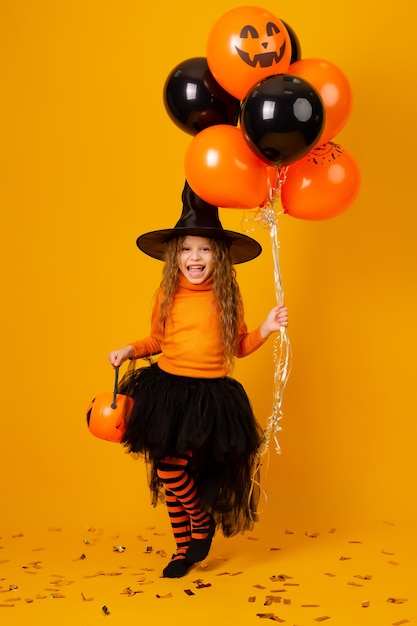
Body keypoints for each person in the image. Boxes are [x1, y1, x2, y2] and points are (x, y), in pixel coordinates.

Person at [108, 181, 288, 578]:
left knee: (178, 469)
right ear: (175, 256)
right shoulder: (167, 294)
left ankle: (200, 527)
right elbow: (156, 339)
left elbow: (238, 345)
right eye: (187, 248)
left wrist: (266, 328)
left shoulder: (229, 296)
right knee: (168, 471)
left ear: (219, 256)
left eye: (204, 249)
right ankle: (183, 548)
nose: (195, 257)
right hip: (168, 391)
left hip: (208, 398)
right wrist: (129, 351)